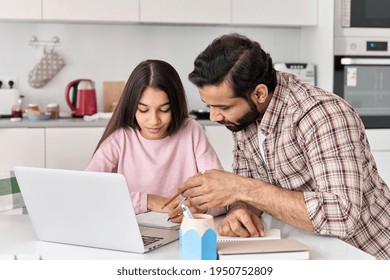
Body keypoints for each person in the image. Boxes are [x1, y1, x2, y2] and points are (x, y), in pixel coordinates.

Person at [178, 33, 390, 259]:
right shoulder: (246, 116)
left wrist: (239, 188)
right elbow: (251, 181)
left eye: (223, 107)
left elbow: (342, 216)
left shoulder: (322, 115)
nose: (214, 116)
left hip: (368, 256)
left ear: (259, 93)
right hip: (309, 249)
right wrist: (240, 209)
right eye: (208, 105)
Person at [86, 59, 224, 220]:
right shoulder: (120, 139)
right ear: (132, 107)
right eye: (143, 110)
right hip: (135, 231)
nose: (154, 120)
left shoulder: (191, 131)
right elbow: (88, 192)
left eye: (164, 110)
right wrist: (147, 200)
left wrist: (201, 209)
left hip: (182, 229)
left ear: (175, 106)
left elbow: (222, 194)